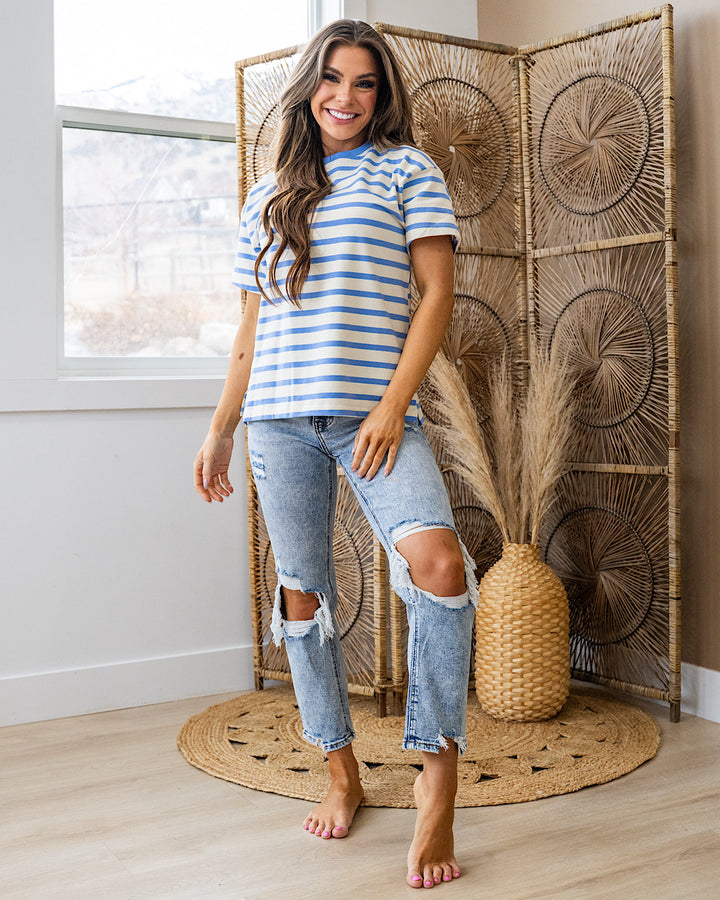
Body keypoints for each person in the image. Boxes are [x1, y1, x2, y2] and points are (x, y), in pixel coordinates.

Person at [194, 19, 476, 890]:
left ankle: (436, 779)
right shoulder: (267, 193)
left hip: (372, 415)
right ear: (309, 86)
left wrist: (392, 405)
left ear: (381, 95)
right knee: (302, 597)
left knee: (439, 567)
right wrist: (221, 427)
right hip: (277, 421)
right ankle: (340, 769)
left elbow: (437, 294)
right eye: (333, 79)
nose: (346, 97)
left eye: (364, 83)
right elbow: (251, 329)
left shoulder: (406, 170)